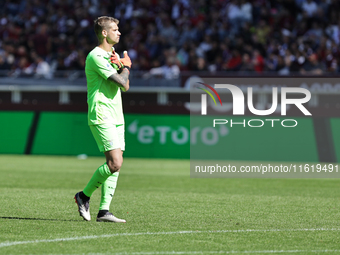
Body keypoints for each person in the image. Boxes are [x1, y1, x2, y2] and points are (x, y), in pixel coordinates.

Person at [74, 16, 131, 223]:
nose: (119, 32)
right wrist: (126, 67)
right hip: (102, 113)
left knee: (117, 163)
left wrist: (121, 65)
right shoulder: (96, 56)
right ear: (104, 33)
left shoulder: (112, 55)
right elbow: (121, 80)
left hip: (116, 114)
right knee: (115, 163)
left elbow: (125, 87)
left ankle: (104, 211)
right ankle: (83, 196)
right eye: (115, 29)